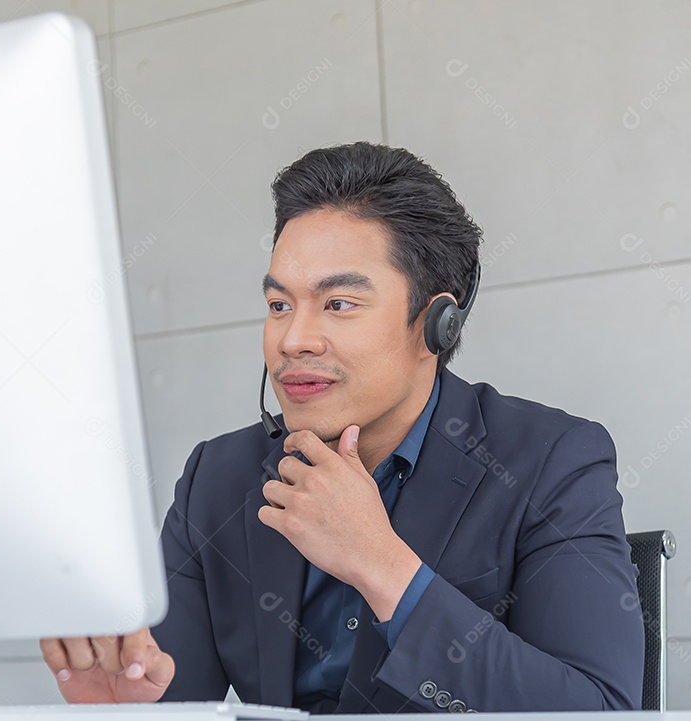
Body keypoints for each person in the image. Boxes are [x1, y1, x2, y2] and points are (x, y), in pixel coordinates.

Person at [41, 142, 644, 713]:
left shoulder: (550, 460)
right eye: (280, 305)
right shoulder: (216, 481)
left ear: (438, 326)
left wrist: (382, 566)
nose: (292, 340)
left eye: (339, 304)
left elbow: (598, 712)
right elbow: (176, 697)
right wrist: (127, 707)